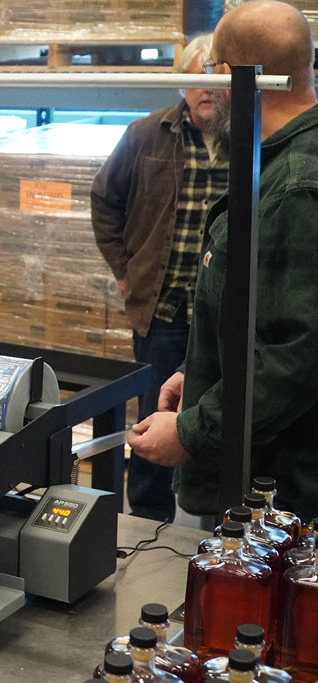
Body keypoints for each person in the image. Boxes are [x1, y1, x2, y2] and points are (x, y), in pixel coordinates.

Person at [128, 0, 318, 523]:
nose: (208, 86)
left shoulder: (298, 185)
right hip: (259, 471)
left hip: (282, 499)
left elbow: (297, 357)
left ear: (247, 75)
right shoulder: (275, 162)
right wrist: (202, 369)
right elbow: (257, 311)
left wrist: (191, 432)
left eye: (214, 67)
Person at [91, 33, 229, 522]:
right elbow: (105, 200)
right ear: (183, 84)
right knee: (155, 418)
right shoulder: (146, 134)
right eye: (198, 79)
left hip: (224, 317)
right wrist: (126, 274)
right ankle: (149, 521)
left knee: (218, 422)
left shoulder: (249, 134)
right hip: (164, 308)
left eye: (217, 76)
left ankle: (219, 527)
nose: (208, 89)